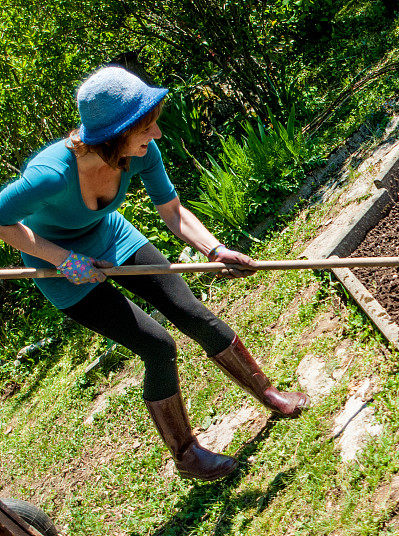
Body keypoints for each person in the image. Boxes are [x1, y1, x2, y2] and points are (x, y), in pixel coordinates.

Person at [0, 66, 309, 481]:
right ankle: (186, 454)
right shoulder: (50, 175)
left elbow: (173, 211)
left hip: (113, 237)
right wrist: (64, 261)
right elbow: (3, 220)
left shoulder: (141, 153)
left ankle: (268, 393)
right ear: (115, 134)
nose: (157, 135)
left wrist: (214, 249)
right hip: (59, 266)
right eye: (147, 127)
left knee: (192, 313)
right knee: (157, 346)